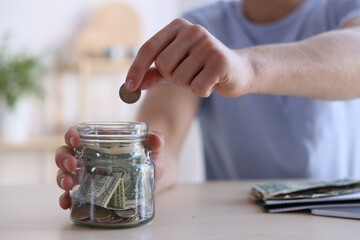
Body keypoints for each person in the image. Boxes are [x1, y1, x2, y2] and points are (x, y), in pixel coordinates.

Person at [55, 0, 360, 209]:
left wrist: (248, 67)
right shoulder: (200, 26)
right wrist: (140, 167)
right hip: (231, 219)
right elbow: (164, 140)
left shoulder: (341, 8)